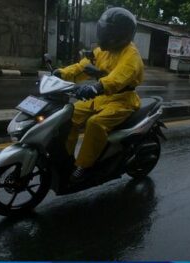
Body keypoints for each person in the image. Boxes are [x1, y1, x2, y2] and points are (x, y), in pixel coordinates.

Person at [54, 7, 143, 183]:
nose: (103, 36)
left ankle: (84, 166)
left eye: (108, 33)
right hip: (100, 98)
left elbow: (118, 78)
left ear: (121, 35)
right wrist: (62, 73)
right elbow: (83, 67)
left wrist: (96, 87)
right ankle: (65, 159)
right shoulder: (104, 49)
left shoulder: (131, 56)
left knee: (94, 123)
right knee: (67, 115)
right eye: (103, 31)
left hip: (122, 101)